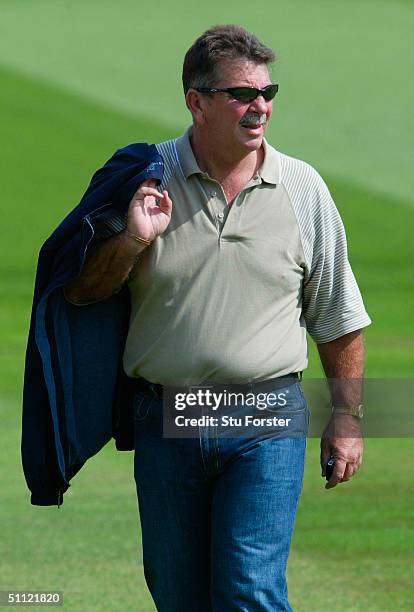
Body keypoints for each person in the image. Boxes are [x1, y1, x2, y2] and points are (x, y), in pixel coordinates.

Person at [63, 24, 371, 612]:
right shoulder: (144, 177)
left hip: (267, 416)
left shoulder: (304, 188)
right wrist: (130, 239)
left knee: (248, 590)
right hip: (168, 414)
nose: (260, 106)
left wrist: (349, 416)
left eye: (267, 92)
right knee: (178, 594)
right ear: (196, 102)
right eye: (241, 94)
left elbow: (338, 314)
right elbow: (81, 293)